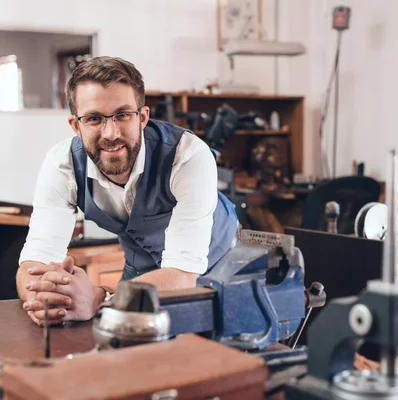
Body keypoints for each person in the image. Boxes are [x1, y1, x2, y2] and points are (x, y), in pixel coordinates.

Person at [16, 56, 238, 326]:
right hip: (143, 269)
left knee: (212, 350)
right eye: (94, 118)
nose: (111, 133)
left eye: (122, 115)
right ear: (76, 126)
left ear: (143, 117)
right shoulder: (62, 165)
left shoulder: (187, 156)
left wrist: (98, 298)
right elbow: (35, 259)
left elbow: (183, 273)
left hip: (216, 265)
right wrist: (42, 296)